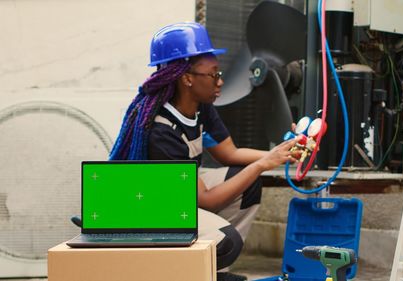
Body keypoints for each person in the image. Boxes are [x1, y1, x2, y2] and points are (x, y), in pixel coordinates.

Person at [109, 22, 298, 280]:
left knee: (248, 184)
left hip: (184, 192)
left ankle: (213, 272)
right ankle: (191, 270)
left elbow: (229, 153)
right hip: (155, 207)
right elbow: (205, 200)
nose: (220, 81)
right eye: (213, 74)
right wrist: (264, 164)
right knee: (226, 241)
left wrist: (282, 153)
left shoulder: (200, 106)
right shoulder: (160, 131)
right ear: (187, 78)